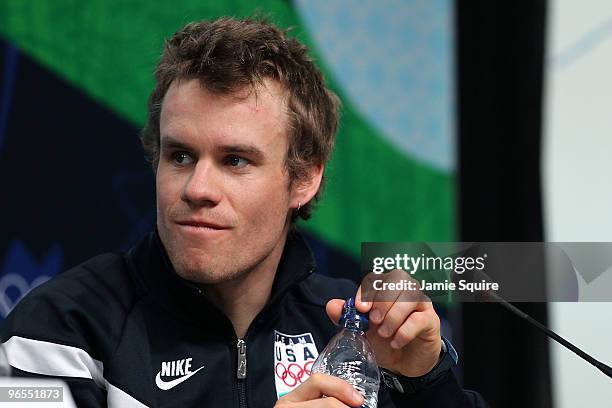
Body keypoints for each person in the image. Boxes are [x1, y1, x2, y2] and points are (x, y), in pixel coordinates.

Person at [0, 17, 487, 407]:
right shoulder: (61, 327)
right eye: (180, 156)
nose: (197, 188)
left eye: (235, 160)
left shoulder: (354, 332)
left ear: (304, 178)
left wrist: (426, 383)